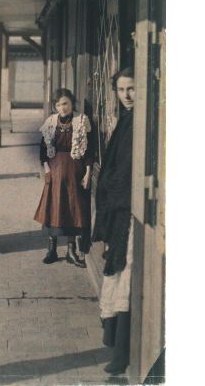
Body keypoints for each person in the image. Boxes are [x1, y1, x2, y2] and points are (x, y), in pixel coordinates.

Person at [92, 67, 135, 376]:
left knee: (126, 275)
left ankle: (123, 353)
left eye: (132, 88)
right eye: (121, 91)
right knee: (117, 270)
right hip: (119, 208)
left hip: (129, 208)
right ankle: (115, 344)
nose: (127, 96)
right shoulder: (127, 120)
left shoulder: (142, 122)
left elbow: (127, 169)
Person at [34, 88, 93, 268]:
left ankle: (71, 251)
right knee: (53, 207)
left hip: (75, 170)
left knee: (72, 209)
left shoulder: (82, 121)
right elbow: (43, 150)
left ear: (72, 103)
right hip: (55, 170)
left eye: (65, 103)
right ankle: (52, 250)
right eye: (58, 104)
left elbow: (90, 151)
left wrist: (88, 173)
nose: (62, 107)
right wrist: (47, 170)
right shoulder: (50, 122)